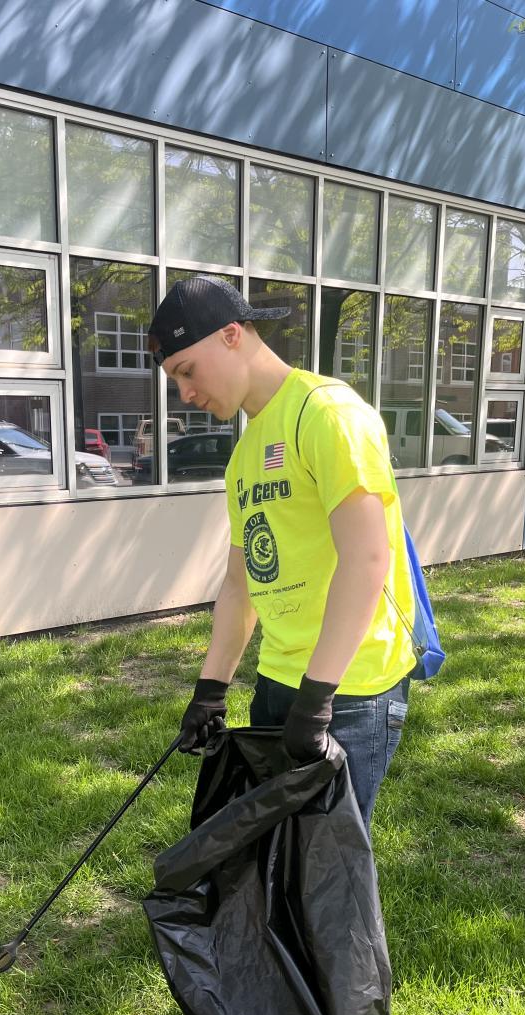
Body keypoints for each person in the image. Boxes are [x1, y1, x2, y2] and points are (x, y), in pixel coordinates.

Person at [148, 276, 417, 830]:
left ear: (231, 335)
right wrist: (210, 690)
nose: (185, 394)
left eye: (187, 371)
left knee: (325, 865)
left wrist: (316, 701)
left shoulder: (327, 414)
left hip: (347, 688)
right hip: (277, 679)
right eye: (176, 380)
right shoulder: (245, 454)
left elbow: (367, 559)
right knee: (275, 858)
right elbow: (240, 584)